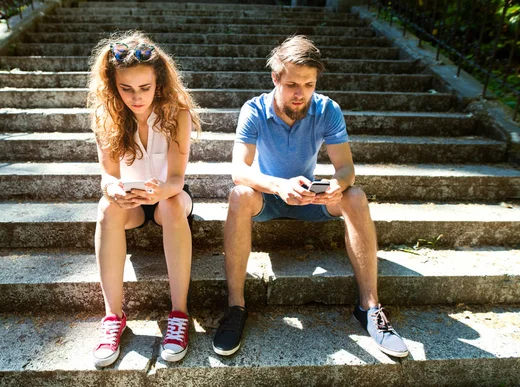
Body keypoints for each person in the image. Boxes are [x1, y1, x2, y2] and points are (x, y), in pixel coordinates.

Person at [212, 35, 409, 358]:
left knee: (355, 196)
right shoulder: (254, 110)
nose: (300, 93)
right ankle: (235, 307)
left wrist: (336, 185)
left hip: (310, 196)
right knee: (238, 194)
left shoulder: (327, 109)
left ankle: (370, 308)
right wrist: (278, 186)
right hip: (269, 194)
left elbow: (346, 169)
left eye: (308, 84)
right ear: (275, 78)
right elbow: (239, 170)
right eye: (291, 84)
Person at [87, 31, 200, 367]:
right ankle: (113, 318)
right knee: (105, 206)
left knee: (173, 202)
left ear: (159, 82)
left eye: (145, 88)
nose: (136, 97)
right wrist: (114, 189)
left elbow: (177, 179)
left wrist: (161, 190)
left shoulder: (176, 112)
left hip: (170, 198)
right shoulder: (105, 115)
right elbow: (107, 175)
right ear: (112, 85)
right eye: (126, 89)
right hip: (130, 203)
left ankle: (179, 314)